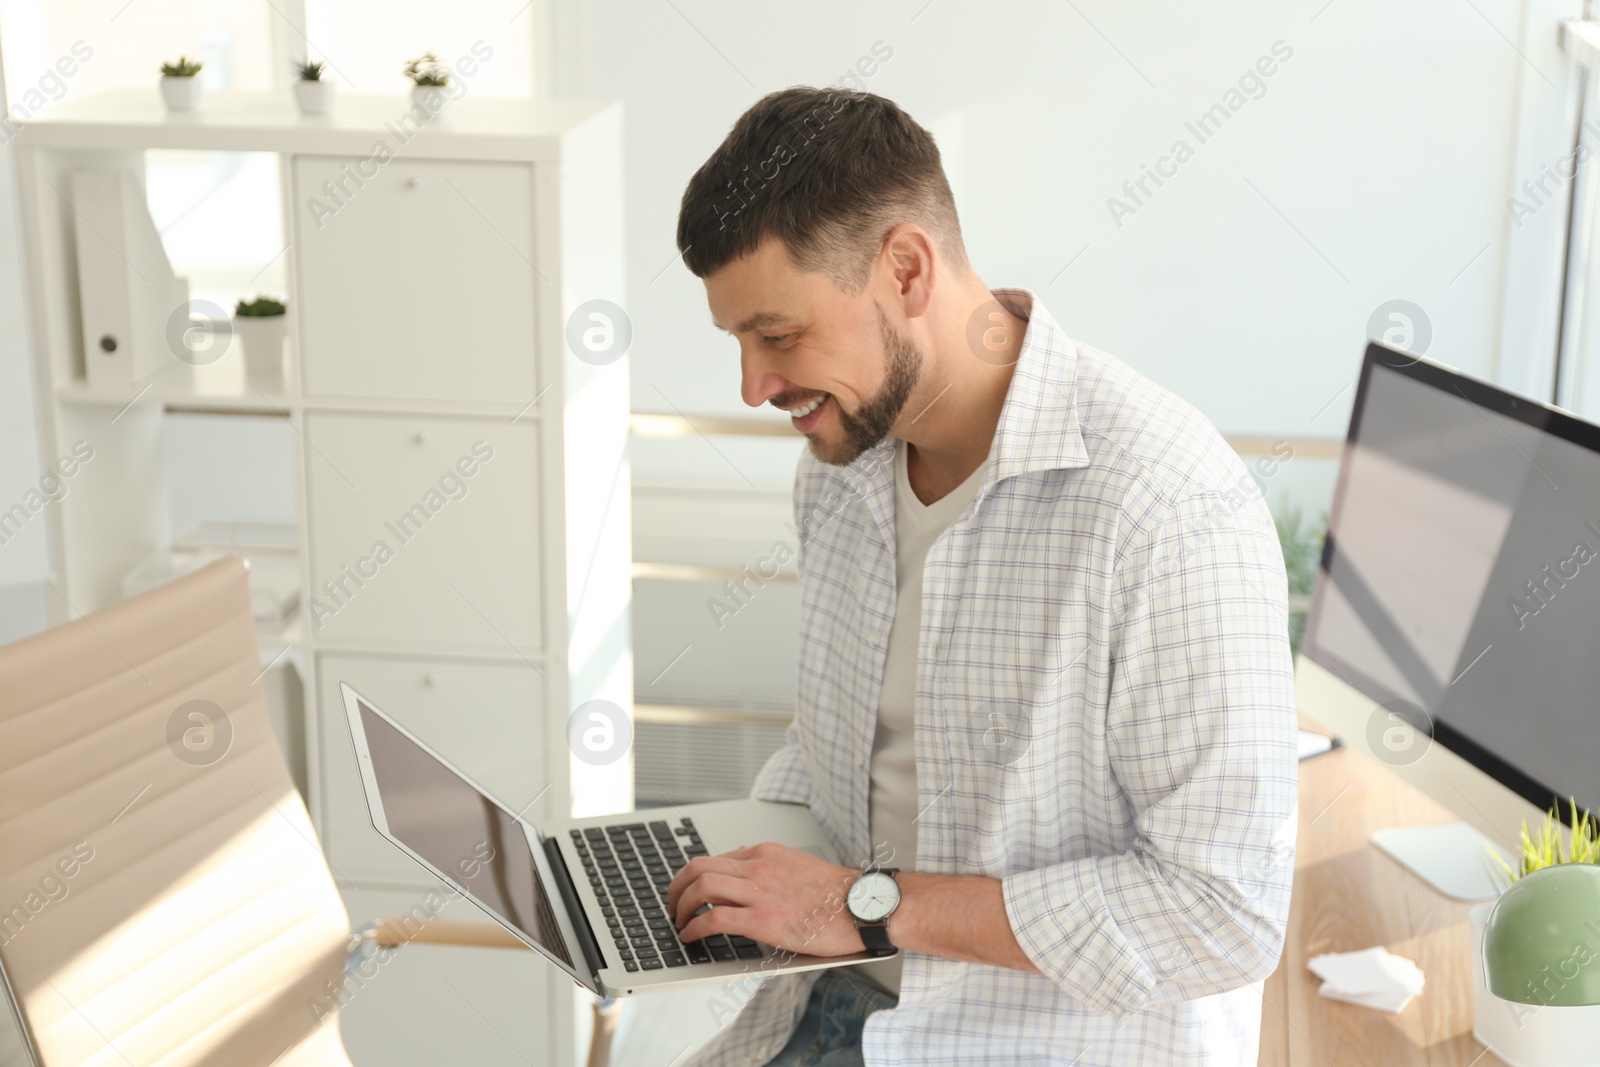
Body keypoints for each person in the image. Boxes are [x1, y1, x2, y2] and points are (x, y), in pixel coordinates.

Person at [664, 86, 1299, 1067]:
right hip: (817, 1004)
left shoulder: (1166, 507)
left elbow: (1224, 912)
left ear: (906, 268)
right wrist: (730, 868)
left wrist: (861, 905)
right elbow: (849, 748)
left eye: (777, 336)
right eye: (737, 341)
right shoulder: (841, 468)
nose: (753, 386)